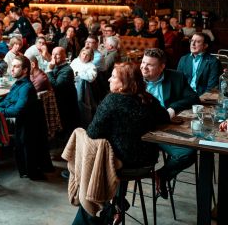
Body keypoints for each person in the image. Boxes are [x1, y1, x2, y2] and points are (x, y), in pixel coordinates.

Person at [72, 63, 170, 225]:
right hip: (148, 163)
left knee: (93, 157)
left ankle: (108, 209)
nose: (109, 79)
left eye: (113, 77)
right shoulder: (147, 98)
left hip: (121, 167)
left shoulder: (112, 100)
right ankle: (116, 205)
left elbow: (92, 133)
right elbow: (165, 118)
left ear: (124, 83)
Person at [140, 48, 200, 199]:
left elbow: (193, 98)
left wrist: (173, 108)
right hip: (142, 132)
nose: (144, 67)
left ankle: (161, 175)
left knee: (188, 154)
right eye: (143, 62)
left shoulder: (176, 77)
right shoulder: (134, 79)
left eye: (150, 64)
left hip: (166, 128)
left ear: (162, 67)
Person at [0, 56, 51, 180]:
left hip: (29, 126)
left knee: (26, 150)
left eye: (16, 66)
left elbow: (17, 110)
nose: (11, 69)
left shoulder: (26, 87)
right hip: (22, 123)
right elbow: (6, 101)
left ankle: (29, 172)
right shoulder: (17, 84)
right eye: (12, 66)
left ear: (25, 70)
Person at [47, 47, 80, 137]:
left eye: (57, 54)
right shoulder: (57, 66)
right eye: (53, 54)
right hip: (60, 101)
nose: (54, 57)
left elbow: (57, 86)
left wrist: (49, 70)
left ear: (64, 56)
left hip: (66, 104)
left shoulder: (67, 70)